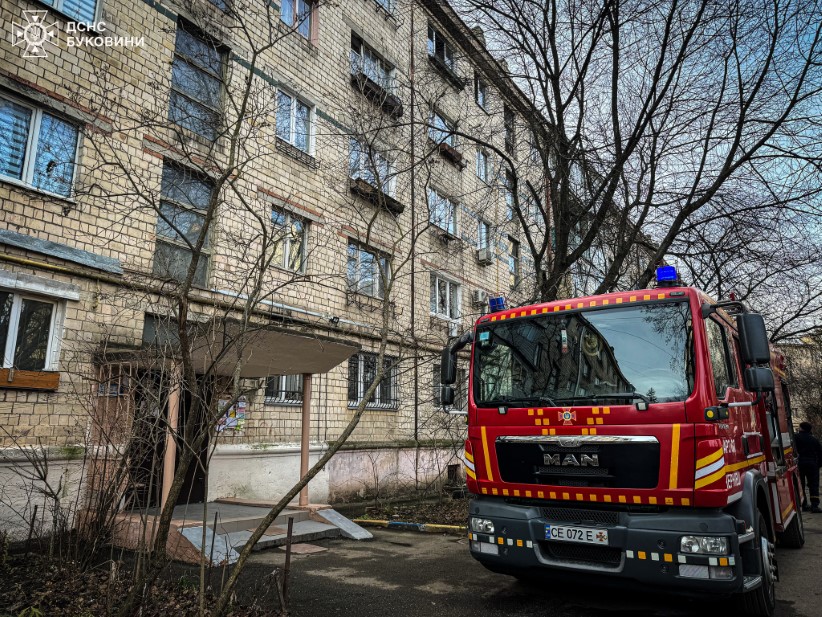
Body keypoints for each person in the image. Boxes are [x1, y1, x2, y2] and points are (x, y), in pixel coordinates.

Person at [795, 421, 822, 513]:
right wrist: (818, 465)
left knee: (801, 484)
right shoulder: (814, 439)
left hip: (800, 463)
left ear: (801, 428)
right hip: (812, 464)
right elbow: (820, 453)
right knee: (813, 484)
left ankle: (804, 504)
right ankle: (815, 506)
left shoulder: (796, 438)